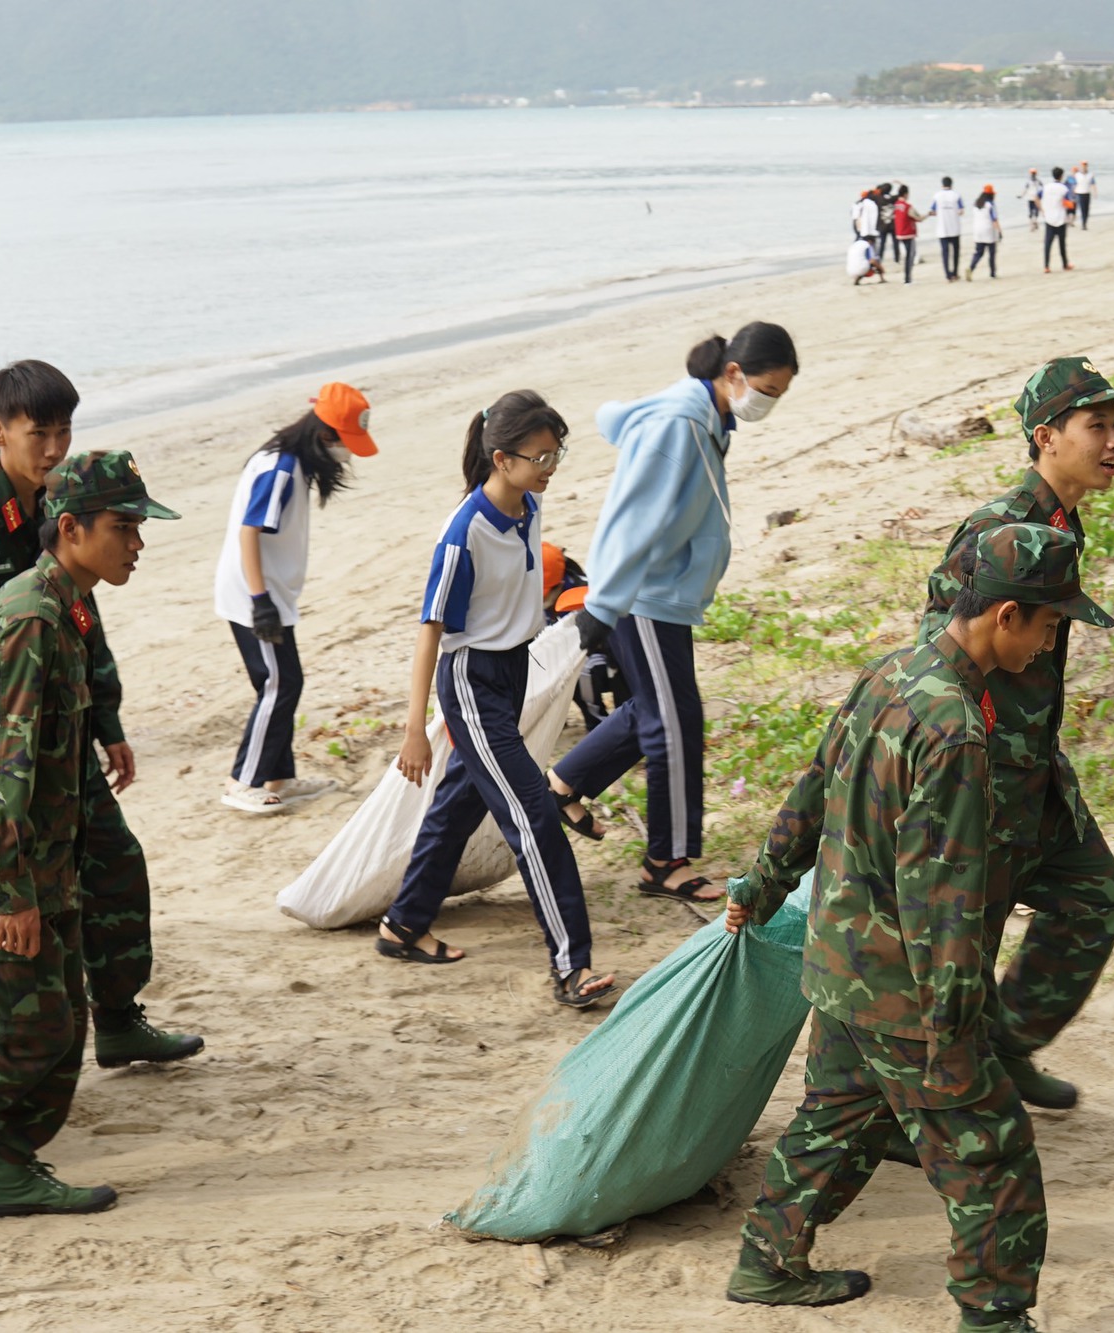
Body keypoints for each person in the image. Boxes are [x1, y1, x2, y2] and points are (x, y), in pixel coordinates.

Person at [721, 522, 1112, 1332]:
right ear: (1006, 614)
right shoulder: (958, 731)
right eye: (1048, 624)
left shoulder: (890, 673)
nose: (1049, 644)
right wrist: (954, 1022)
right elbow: (943, 897)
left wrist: (762, 883)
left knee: (837, 1115)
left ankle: (766, 1262)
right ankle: (994, 1318)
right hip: (903, 987)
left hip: (838, 960)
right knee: (992, 1154)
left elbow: (813, 788)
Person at [0, 449, 180, 1219]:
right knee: (25, 1031)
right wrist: (13, 897)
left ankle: (15, 1169)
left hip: (38, 857)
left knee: (64, 1022)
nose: (137, 542)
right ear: (72, 528)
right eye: (123, 527)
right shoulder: (32, 616)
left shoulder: (67, 604)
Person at [0, 360, 201, 1070]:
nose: (56, 447)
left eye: (65, 430)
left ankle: (120, 1017)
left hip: (57, 747)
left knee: (113, 868)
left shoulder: (65, 505)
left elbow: (81, 618)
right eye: (41, 433)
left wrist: (110, 721)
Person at [915, 357, 1114, 1114]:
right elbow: (937, 657)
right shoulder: (997, 528)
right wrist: (965, 773)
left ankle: (1006, 1048)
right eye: (1097, 425)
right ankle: (912, 1106)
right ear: (1046, 436)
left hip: (1032, 769)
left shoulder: (1062, 520)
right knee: (962, 945)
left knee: (1093, 895)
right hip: (979, 776)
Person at [376, 390, 615, 1010]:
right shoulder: (462, 535)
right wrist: (413, 730)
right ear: (502, 459)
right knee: (533, 816)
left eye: (557, 451)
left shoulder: (529, 506)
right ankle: (572, 967)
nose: (551, 465)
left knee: (459, 802)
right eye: (540, 455)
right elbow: (431, 629)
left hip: (512, 673)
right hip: (472, 684)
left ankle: (403, 924)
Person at [547, 324, 799, 905]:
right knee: (675, 723)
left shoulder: (709, 418)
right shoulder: (678, 425)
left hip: (663, 595)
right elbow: (631, 518)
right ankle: (666, 861)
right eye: (766, 388)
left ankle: (565, 784)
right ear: (733, 373)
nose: (769, 402)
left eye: (779, 394)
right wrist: (603, 604)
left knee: (655, 709)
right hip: (643, 597)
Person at [214, 382, 377, 814]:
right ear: (324, 435)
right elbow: (251, 532)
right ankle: (242, 781)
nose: (348, 454)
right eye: (346, 443)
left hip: (270, 591)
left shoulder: (295, 462)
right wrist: (260, 600)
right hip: (253, 593)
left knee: (286, 682)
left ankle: (278, 777)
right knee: (278, 684)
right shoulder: (280, 469)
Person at [930, 176, 966, 283]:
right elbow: (961, 211)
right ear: (951, 184)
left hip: (942, 229)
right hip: (954, 228)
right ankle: (955, 273)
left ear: (942, 184)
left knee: (945, 253)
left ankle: (947, 275)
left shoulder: (937, 196)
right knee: (955, 252)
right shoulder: (956, 195)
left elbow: (932, 211)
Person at [1040, 167, 1073, 274]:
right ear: (1061, 176)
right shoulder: (1064, 188)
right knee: (1062, 243)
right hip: (1061, 218)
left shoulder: (1046, 187)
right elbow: (1069, 203)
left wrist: (1042, 209)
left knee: (1048, 244)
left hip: (1049, 218)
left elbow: (1036, 196)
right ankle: (1065, 264)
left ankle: (1046, 266)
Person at [967, 184, 1001, 280]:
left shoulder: (976, 204)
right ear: (991, 195)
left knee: (978, 253)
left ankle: (971, 268)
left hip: (977, 230)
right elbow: (994, 219)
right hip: (989, 231)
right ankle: (992, 273)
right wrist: (999, 232)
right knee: (992, 253)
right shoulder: (990, 205)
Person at [893, 184, 922, 284]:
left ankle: (907, 278)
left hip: (899, 233)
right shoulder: (907, 206)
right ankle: (907, 279)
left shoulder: (896, 204)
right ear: (906, 194)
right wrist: (928, 214)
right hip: (908, 233)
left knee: (907, 256)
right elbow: (918, 218)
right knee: (910, 256)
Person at [1073, 160, 1093, 227]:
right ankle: (1083, 223)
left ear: (1087, 166)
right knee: (1082, 208)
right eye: (1083, 166)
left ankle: (1085, 222)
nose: (1084, 167)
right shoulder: (1077, 175)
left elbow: (1093, 183)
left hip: (1087, 193)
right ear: (1081, 166)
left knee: (1086, 209)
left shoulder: (1090, 174)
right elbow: (1073, 184)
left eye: (1085, 165)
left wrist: (1095, 191)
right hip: (1079, 193)